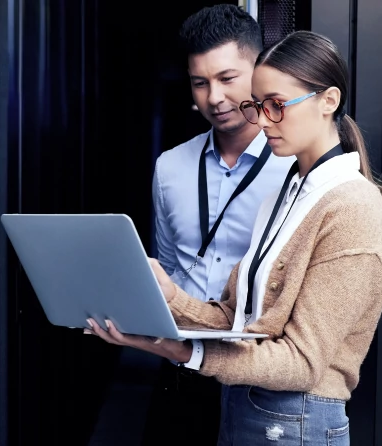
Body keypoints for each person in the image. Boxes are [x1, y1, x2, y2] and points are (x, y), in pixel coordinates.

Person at [86, 30, 382, 445]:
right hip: (247, 408)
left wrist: (185, 352)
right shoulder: (289, 191)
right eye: (258, 106)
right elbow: (239, 321)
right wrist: (168, 297)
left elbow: (302, 364)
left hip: (297, 422)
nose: (262, 120)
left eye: (277, 105)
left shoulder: (352, 207)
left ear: (329, 101)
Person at [145, 5, 293, 444]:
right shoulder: (169, 166)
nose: (214, 97)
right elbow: (169, 265)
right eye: (200, 82)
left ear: (260, 71)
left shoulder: (293, 165)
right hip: (180, 364)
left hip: (260, 370)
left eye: (227, 79)